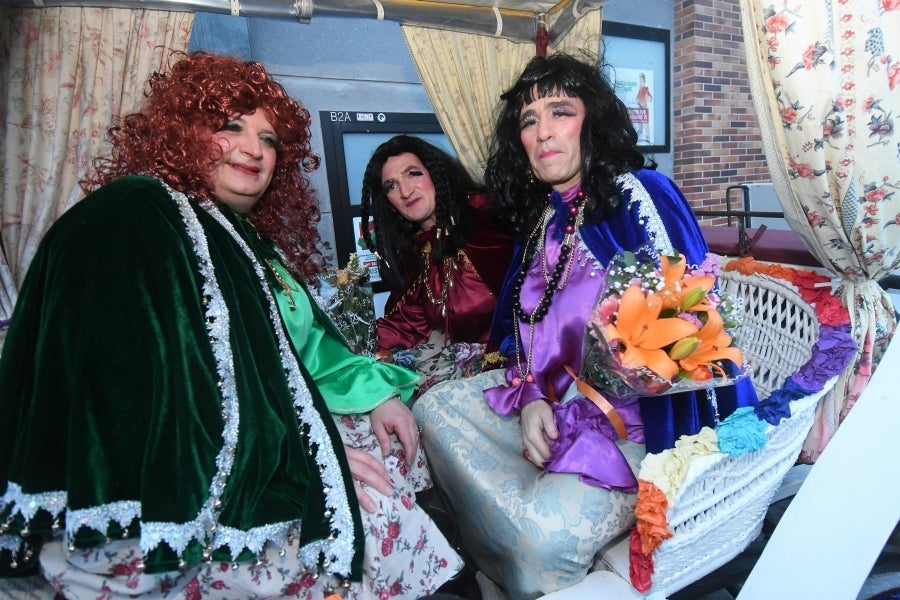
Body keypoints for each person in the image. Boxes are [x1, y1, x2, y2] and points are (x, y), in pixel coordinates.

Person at [0, 52, 465, 600]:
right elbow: (141, 395)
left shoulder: (238, 238)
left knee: (398, 454)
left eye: (269, 140)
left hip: (256, 439)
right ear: (180, 131)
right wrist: (307, 458)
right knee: (378, 509)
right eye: (231, 127)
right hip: (162, 488)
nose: (254, 149)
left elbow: (306, 354)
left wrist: (376, 397)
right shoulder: (135, 213)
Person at [412, 53, 759, 599]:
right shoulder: (546, 220)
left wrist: (684, 465)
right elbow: (516, 331)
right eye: (529, 120)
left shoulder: (639, 195)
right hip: (552, 411)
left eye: (561, 112)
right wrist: (528, 397)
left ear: (591, 122)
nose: (544, 133)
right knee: (433, 407)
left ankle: (542, 562)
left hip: (635, 433)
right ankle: (521, 539)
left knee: (539, 540)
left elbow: (694, 336)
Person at [359, 135, 513, 395]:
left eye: (414, 174)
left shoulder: (489, 221)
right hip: (462, 376)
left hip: (517, 370)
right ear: (391, 206)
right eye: (391, 186)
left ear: (436, 174)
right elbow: (407, 322)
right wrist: (349, 343)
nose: (406, 192)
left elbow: (533, 301)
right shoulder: (418, 254)